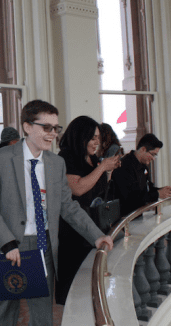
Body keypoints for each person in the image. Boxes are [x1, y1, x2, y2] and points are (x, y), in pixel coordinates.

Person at [0, 100, 114, 326]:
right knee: (2, 318)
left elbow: (67, 206)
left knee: (42, 319)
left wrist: (96, 235)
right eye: (46, 127)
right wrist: (6, 242)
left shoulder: (56, 163)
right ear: (27, 127)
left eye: (55, 128)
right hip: (6, 249)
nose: (52, 134)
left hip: (42, 247)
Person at [54, 116, 121, 305]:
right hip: (74, 228)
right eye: (92, 138)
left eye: (98, 137)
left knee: (93, 282)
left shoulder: (91, 158)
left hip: (93, 222)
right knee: (76, 285)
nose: (97, 142)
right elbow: (78, 188)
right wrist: (102, 168)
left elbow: (98, 189)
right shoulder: (67, 156)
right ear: (80, 137)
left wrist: (108, 171)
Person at [112, 133, 171, 217]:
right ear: (143, 149)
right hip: (125, 218)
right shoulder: (125, 165)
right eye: (152, 154)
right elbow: (130, 198)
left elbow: (147, 189)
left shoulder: (143, 166)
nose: (153, 158)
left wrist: (162, 190)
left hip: (137, 215)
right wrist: (157, 194)